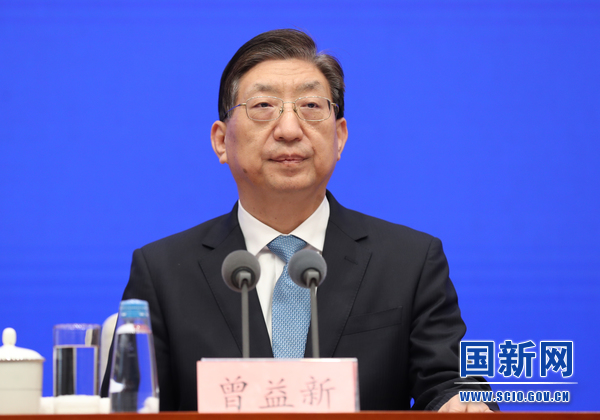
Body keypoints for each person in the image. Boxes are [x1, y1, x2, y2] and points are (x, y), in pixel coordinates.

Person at [102, 29, 496, 412]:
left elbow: (449, 380)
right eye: (263, 106)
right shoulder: (162, 272)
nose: (289, 130)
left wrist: (462, 402)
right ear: (221, 141)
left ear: (339, 137)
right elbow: (126, 405)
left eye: (310, 106)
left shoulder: (409, 262)